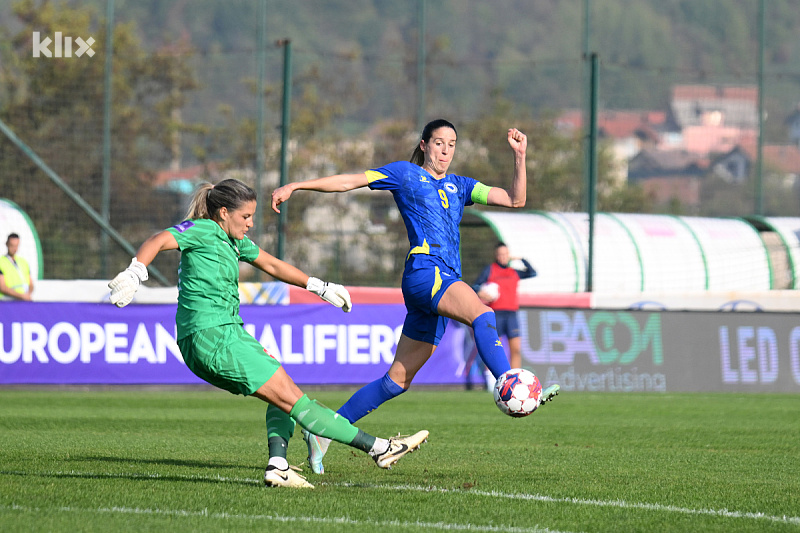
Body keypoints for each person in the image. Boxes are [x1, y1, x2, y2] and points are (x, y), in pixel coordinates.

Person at [271, 118, 559, 475]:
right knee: (482, 315)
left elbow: (515, 200)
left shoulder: (461, 186)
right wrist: (298, 185)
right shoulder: (405, 174)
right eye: (439, 143)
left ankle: (324, 432)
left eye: (452, 144)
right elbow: (349, 181)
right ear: (424, 145)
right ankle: (509, 382)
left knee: (397, 381)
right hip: (425, 272)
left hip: (443, 280)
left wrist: (520, 156)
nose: (446, 150)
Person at [108, 178, 428, 489]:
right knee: (297, 401)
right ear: (223, 213)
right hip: (217, 337)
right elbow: (159, 239)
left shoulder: (234, 241)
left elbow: (272, 265)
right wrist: (137, 270)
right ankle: (380, 449)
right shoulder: (204, 230)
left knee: (282, 396)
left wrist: (318, 286)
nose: (249, 223)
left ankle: (279, 466)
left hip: (206, 340)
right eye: (245, 216)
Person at [472, 242, 537, 372]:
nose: (503, 256)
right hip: (496, 314)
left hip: (512, 314)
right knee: (494, 349)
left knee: (516, 349)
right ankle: (492, 381)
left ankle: (515, 378)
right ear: (496, 255)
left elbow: (532, 273)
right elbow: (475, 286)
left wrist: (521, 259)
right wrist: (481, 292)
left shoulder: (514, 272)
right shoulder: (490, 269)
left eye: (505, 254)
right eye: (500, 254)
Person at [0, 233, 34, 301]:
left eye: (16, 246)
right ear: (7, 244)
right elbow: (2, 286)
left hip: (24, 300)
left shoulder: (23, 262)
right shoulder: (1, 262)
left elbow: (31, 284)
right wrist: (21, 296)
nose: (14, 248)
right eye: (12, 245)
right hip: (7, 300)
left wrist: (27, 295)